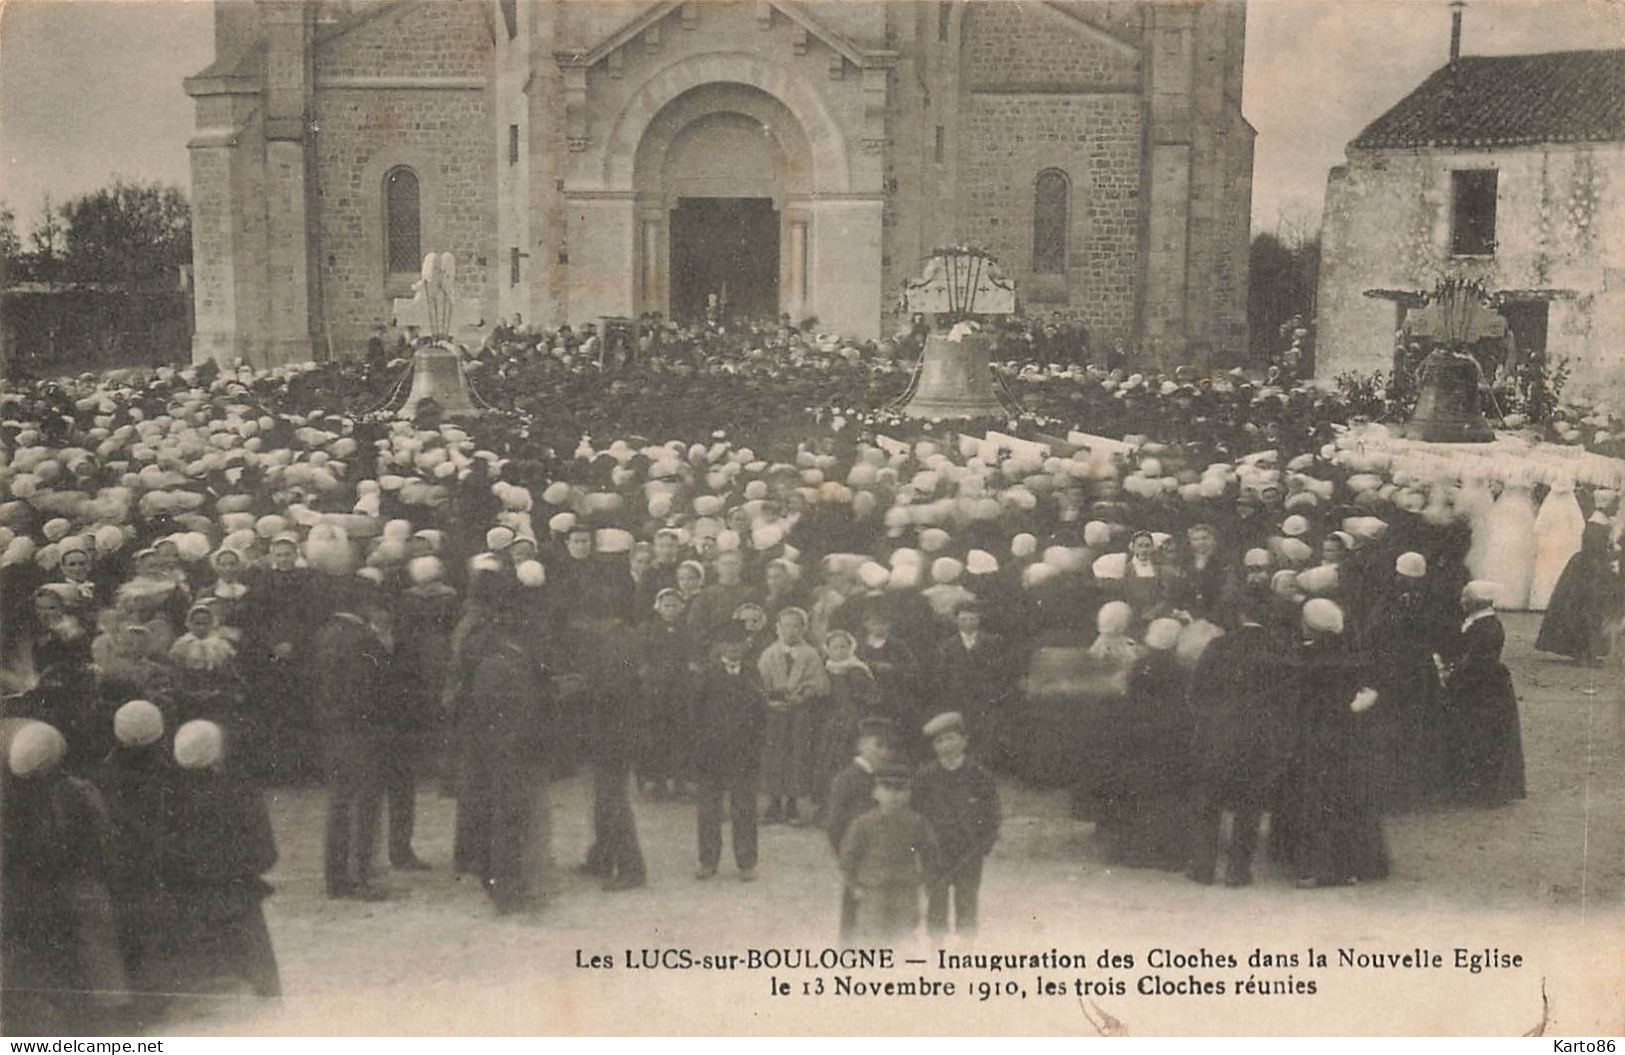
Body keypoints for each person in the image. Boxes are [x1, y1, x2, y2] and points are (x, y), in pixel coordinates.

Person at [164, 720, 281, 998]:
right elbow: (265, 853)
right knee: (260, 982)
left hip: (186, 902)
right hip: (237, 897)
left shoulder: (166, 795)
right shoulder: (239, 792)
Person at [1280, 599, 1389, 889]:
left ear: (1311, 627)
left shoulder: (1306, 660)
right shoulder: (1352, 655)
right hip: (1349, 739)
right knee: (1347, 799)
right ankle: (1351, 866)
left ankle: (1318, 868)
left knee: (1316, 801)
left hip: (1316, 738)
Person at [454, 606, 555, 913]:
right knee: (508, 820)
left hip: (492, 751)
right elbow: (516, 713)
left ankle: (499, 883)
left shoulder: (493, 661)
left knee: (496, 817)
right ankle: (506, 889)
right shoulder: (505, 665)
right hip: (509, 752)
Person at [1186, 604, 1284, 886]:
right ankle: (1238, 871)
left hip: (1219, 734)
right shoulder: (1279, 648)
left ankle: (1202, 868)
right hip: (1260, 737)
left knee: (1208, 801)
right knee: (1249, 804)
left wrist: (1210, 720)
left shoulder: (1218, 645)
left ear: (1242, 615)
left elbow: (1195, 693)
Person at [310, 581, 396, 900]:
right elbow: (371, 690)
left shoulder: (325, 634)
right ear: (363, 603)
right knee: (364, 802)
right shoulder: (363, 639)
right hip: (362, 730)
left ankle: (336, 878)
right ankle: (358, 876)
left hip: (333, 729)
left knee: (340, 801)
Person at [912, 712, 1000, 941]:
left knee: (967, 905)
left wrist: (983, 846)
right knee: (936, 905)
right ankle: (937, 954)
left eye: (950, 738)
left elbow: (992, 815)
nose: (945, 745)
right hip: (935, 853)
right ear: (934, 747)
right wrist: (922, 847)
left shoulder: (980, 776)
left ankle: (965, 955)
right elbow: (916, 814)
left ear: (964, 740)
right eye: (939, 741)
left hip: (969, 853)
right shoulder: (924, 778)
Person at [1439, 581, 1527, 807]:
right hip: (1480, 683)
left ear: (1476, 602)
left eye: (1465, 599)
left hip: (1484, 688)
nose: (1462, 602)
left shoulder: (1487, 628)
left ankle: (1487, 789)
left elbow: (1476, 661)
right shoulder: (1479, 622)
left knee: (1483, 736)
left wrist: (1452, 676)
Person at [690, 625, 765, 881]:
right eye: (728, 643)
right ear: (719, 646)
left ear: (746, 645)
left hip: (743, 752)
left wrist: (756, 747)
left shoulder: (754, 673)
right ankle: (708, 860)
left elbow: (761, 713)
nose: (734, 648)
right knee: (709, 809)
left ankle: (746, 862)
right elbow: (694, 714)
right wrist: (699, 748)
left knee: (744, 808)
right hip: (712, 753)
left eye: (739, 643)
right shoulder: (706, 674)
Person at [837, 763, 939, 945]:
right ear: (875, 792)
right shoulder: (863, 823)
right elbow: (848, 858)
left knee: (904, 937)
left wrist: (925, 882)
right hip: (872, 890)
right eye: (887, 788)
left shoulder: (917, 823)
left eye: (900, 790)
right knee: (871, 938)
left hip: (905, 889)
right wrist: (855, 887)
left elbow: (930, 853)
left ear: (908, 794)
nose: (893, 795)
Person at [757, 606, 828, 826]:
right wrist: (771, 700)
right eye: (785, 626)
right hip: (775, 712)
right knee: (774, 753)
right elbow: (760, 681)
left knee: (797, 754)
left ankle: (793, 804)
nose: (790, 630)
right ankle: (774, 802)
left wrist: (804, 695)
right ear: (778, 629)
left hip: (800, 712)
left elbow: (819, 683)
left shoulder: (810, 654)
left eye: (796, 626)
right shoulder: (769, 653)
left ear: (803, 629)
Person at [1535, 518, 1623, 665]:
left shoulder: (1602, 523)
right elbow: (1596, 551)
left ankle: (1587, 651)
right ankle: (1584, 651)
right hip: (1590, 572)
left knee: (1590, 611)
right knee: (1587, 611)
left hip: (1592, 569)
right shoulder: (1596, 524)